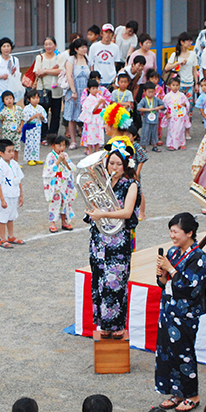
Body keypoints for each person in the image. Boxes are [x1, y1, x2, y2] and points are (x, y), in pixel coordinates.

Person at [154, 212, 206, 412]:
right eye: (170, 231)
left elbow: (191, 287)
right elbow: (164, 283)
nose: (172, 235)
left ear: (189, 233)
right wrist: (162, 274)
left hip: (186, 313)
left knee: (184, 352)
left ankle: (192, 395)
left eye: (176, 232)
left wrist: (172, 269)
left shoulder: (199, 258)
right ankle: (176, 392)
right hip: (169, 309)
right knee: (167, 351)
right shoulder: (173, 252)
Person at [85, 144, 141, 339]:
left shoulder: (131, 185)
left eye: (119, 164)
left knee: (115, 283)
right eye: (111, 163)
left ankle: (117, 324)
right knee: (100, 281)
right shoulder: (100, 184)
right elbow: (92, 213)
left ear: (126, 166)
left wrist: (103, 213)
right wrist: (91, 202)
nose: (114, 167)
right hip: (99, 241)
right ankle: (104, 324)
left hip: (119, 242)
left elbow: (126, 212)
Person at [0, 139, 24, 249]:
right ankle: (2, 239)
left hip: (14, 194)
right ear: (1, 153)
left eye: (13, 151)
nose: (12, 154)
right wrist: (2, 199)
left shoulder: (15, 164)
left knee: (11, 216)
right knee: (2, 218)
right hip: (5, 196)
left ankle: (11, 236)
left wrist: (21, 195)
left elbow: (18, 180)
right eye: (9, 151)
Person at [64, 39, 90, 149]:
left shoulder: (87, 59)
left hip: (86, 91)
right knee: (72, 117)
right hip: (74, 90)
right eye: (82, 47)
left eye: (85, 47)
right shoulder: (71, 60)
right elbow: (69, 75)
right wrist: (73, 91)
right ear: (76, 49)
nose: (84, 49)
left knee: (87, 116)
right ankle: (73, 141)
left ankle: (87, 140)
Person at [33, 37, 62, 138]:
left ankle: (53, 135)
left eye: (50, 44)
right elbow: (37, 73)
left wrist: (44, 70)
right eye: (46, 44)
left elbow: (60, 71)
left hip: (57, 90)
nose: (48, 46)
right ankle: (43, 135)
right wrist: (52, 70)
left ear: (55, 45)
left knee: (56, 114)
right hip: (43, 89)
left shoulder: (59, 57)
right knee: (43, 113)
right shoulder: (40, 57)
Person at [0, 37, 20, 116]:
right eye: (4, 46)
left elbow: (17, 75)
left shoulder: (15, 60)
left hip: (12, 91)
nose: (6, 48)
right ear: (0, 48)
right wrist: (1, 76)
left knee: (12, 113)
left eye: (8, 46)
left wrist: (13, 73)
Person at [167, 31, 199, 103]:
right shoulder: (175, 55)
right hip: (178, 84)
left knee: (189, 105)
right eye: (188, 41)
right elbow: (167, 68)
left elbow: (194, 70)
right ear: (182, 42)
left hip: (190, 84)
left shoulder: (192, 54)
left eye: (191, 41)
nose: (190, 43)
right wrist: (177, 63)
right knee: (178, 104)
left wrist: (197, 83)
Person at [80, 79, 108, 155]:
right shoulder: (88, 99)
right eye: (93, 88)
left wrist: (104, 103)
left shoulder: (99, 97)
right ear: (89, 89)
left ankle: (96, 150)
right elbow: (92, 110)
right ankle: (90, 151)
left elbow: (103, 108)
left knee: (98, 134)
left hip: (98, 118)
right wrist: (99, 103)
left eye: (96, 88)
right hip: (92, 118)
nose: (95, 90)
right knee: (91, 135)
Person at [163, 77, 190, 151]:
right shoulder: (167, 96)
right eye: (173, 85)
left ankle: (181, 143)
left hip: (180, 115)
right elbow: (164, 106)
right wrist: (166, 113)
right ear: (169, 86)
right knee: (172, 130)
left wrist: (185, 105)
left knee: (181, 129)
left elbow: (187, 103)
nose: (175, 87)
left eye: (177, 85)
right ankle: (171, 144)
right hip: (172, 116)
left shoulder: (182, 95)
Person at [22, 90, 47, 165]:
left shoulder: (40, 108)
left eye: (37, 98)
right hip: (30, 127)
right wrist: (33, 117)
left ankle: (36, 157)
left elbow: (45, 119)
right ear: (29, 99)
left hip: (38, 127)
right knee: (30, 143)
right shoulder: (27, 108)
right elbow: (24, 119)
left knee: (36, 143)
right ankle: (30, 158)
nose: (36, 100)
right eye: (33, 98)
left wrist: (42, 117)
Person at [136, 82, 163, 151]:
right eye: (149, 92)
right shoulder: (144, 100)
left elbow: (163, 105)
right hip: (146, 120)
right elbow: (139, 108)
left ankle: (155, 145)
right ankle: (143, 146)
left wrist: (158, 108)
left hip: (155, 119)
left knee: (154, 132)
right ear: (144, 92)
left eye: (152, 92)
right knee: (145, 132)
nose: (151, 94)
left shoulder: (156, 99)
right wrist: (147, 109)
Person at [0, 90, 23, 161]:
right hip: (7, 133)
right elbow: (1, 119)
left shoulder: (19, 109)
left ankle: (16, 162)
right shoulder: (3, 111)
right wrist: (6, 126)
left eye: (10, 98)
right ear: (3, 102)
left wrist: (21, 127)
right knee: (7, 147)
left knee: (16, 148)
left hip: (17, 132)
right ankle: (8, 161)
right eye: (6, 99)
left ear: (13, 99)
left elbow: (22, 118)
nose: (9, 100)